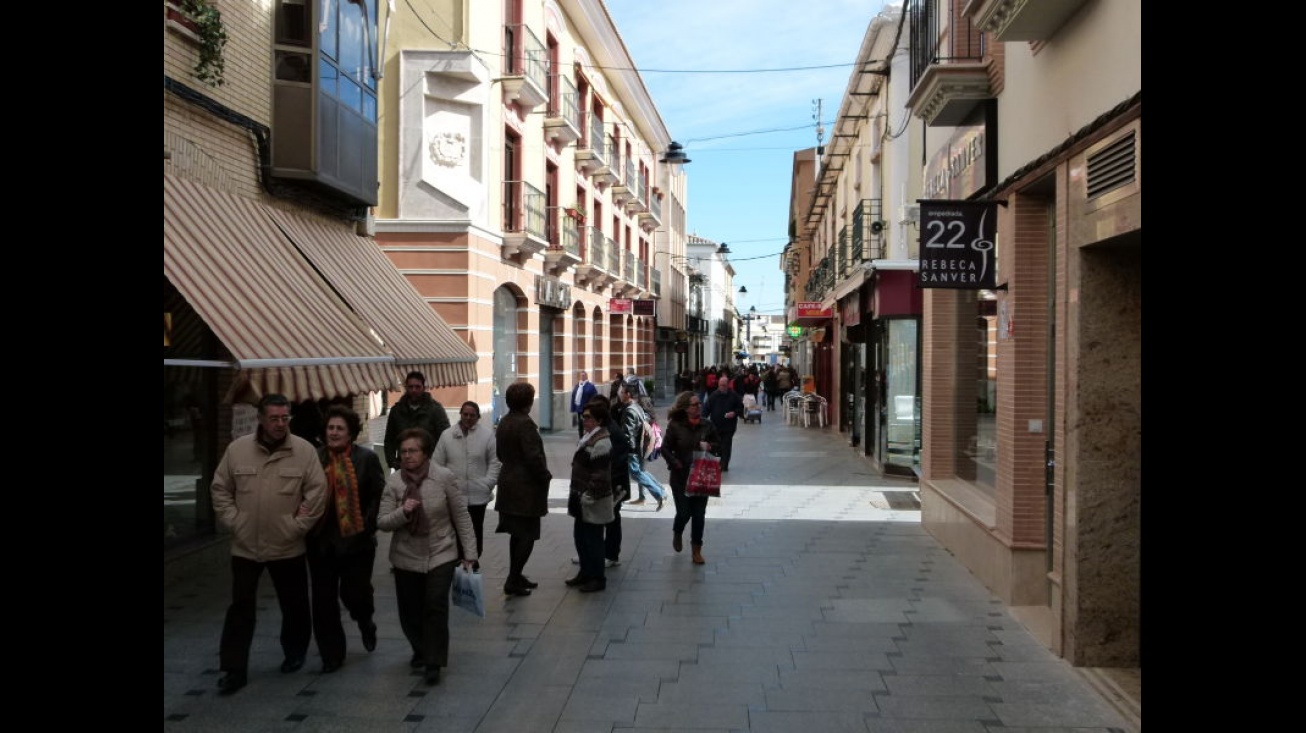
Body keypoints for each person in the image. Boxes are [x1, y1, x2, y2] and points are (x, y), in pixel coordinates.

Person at [210, 393, 327, 696]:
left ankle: (294, 652)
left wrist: (296, 526)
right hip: (246, 546)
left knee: (295, 605)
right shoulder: (237, 450)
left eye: (284, 418)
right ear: (260, 419)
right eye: (273, 418)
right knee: (240, 608)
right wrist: (235, 521)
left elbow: (317, 493)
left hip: (287, 545)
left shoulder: (303, 451)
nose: (279, 424)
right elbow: (220, 488)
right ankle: (234, 669)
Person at [377, 427, 478, 686]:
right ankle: (420, 648)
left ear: (426, 453)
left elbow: (461, 516)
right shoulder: (395, 482)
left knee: (435, 605)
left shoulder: (444, 477)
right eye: (404, 452)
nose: (407, 456)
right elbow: (383, 522)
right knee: (410, 611)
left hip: (441, 552)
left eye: (413, 451)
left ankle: (433, 661)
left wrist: (470, 553)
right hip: (405, 555)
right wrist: (403, 512)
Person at [307, 405, 385, 674]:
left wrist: (367, 526)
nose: (334, 432)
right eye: (330, 428)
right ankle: (332, 654)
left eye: (340, 428)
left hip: (357, 543)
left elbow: (378, 495)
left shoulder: (366, 459)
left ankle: (366, 621)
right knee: (323, 601)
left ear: (351, 433)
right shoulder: (315, 458)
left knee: (355, 595)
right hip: (321, 542)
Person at [493, 382, 553, 596]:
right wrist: (545, 475)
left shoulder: (505, 422)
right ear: (527, 402)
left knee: (517, 533)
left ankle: (516, 574)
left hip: (509, 482)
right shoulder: (525, 424)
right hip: (525, 487)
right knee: (527, 534)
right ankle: (513, 578)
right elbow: (532, 457)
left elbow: (500, 453)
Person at [432, 401, 501, 572]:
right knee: (455, 531)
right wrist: (444, 487)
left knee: (475, 530)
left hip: (478, 496)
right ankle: (455, 562)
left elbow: (495, 462)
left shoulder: (487, 436)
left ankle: (473, 562)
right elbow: (437, 464)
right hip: (454, 496)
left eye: (472, 415)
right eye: (465, 414)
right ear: (460, 415)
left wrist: (487, 483)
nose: (468, 418)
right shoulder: (447, 436)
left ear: (478, 417)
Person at [661, 391, 721, 565]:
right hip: (681, 477)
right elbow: (665, 449)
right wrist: (675, 462)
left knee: (699, 515)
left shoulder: (707, 425)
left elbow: (719, 446)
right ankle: (677, 531)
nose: (699, 406)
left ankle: (696, 550)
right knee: (684, 512)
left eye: (699, 404)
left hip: (701, 477)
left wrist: (709, 446)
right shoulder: (675, 425)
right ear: (686, 408)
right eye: (695, 404)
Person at [565, 398, 614, 593]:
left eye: (587, 417)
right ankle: (585, 573)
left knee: (593, 541)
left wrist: (589, 495)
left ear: (599, 420)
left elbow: (600, 476)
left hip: (592, 501)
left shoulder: (601, 442)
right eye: (583, 416)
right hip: (581, 498)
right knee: (581, 538)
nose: (584, 420)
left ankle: (597, 577)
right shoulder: (588, 438)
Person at [384, 371, 452, 473]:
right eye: (410, 387)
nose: (414, 390)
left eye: (417, 387)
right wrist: (394, 463)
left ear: (423, 388)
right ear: (406, 388)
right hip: (404, 468)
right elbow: (389, 440)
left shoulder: (436, 410)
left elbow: (445, 439)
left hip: (429, 468)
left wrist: (436, 464)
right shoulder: (396, 411)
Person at [616, 379, 666, 510]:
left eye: (622, 392)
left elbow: (628, 435)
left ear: (628, 394)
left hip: (632, 450)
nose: (620, 394)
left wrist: (627, 451)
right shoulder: (636, 407)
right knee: (640, 472)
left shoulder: (630, 411)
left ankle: (659, 493)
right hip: (637, 448)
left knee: (636, 473)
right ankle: (661, 490)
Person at [702, 373, 745, 472]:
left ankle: (724, 464)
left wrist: (734, 413)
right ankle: (719, 460)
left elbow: (741, 408)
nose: (722, 387)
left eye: (724, 385)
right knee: (717, 445)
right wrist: (701, 420)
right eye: (720, 385)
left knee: (726, 445)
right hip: (715, 426)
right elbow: (706, 409)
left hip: (729, 427)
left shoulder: (733, 395)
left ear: (728, 385)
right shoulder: (714, 395)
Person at [570, 370, 598, 439]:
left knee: (588, 423)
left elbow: (594, 397)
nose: (582, 377)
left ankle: (588, 437)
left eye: (583, 375)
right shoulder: (577, 386)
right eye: (581, 375)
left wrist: (591, 407)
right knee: (580, 424)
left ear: (586, 376)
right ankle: (581, 437)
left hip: (587, 409)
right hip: (579, 409)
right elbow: (574, 396)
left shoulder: (590, 386)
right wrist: (573, 407)